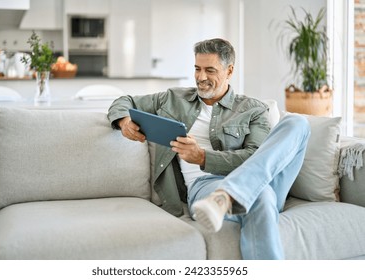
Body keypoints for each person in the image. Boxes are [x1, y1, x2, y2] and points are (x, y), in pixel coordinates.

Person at [107, 38, 310, 259]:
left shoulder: (252, 110)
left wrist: (203, 157)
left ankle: (231, 194)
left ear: (229, 71)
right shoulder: (174, 99)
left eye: (210, 70)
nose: (201, 77)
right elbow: (124, 101)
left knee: (298, 122)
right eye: (197, 69)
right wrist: (124, 121)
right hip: (207, 186)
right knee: (261, 197)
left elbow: (255, 157)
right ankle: (229, 195)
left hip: (265, 179)